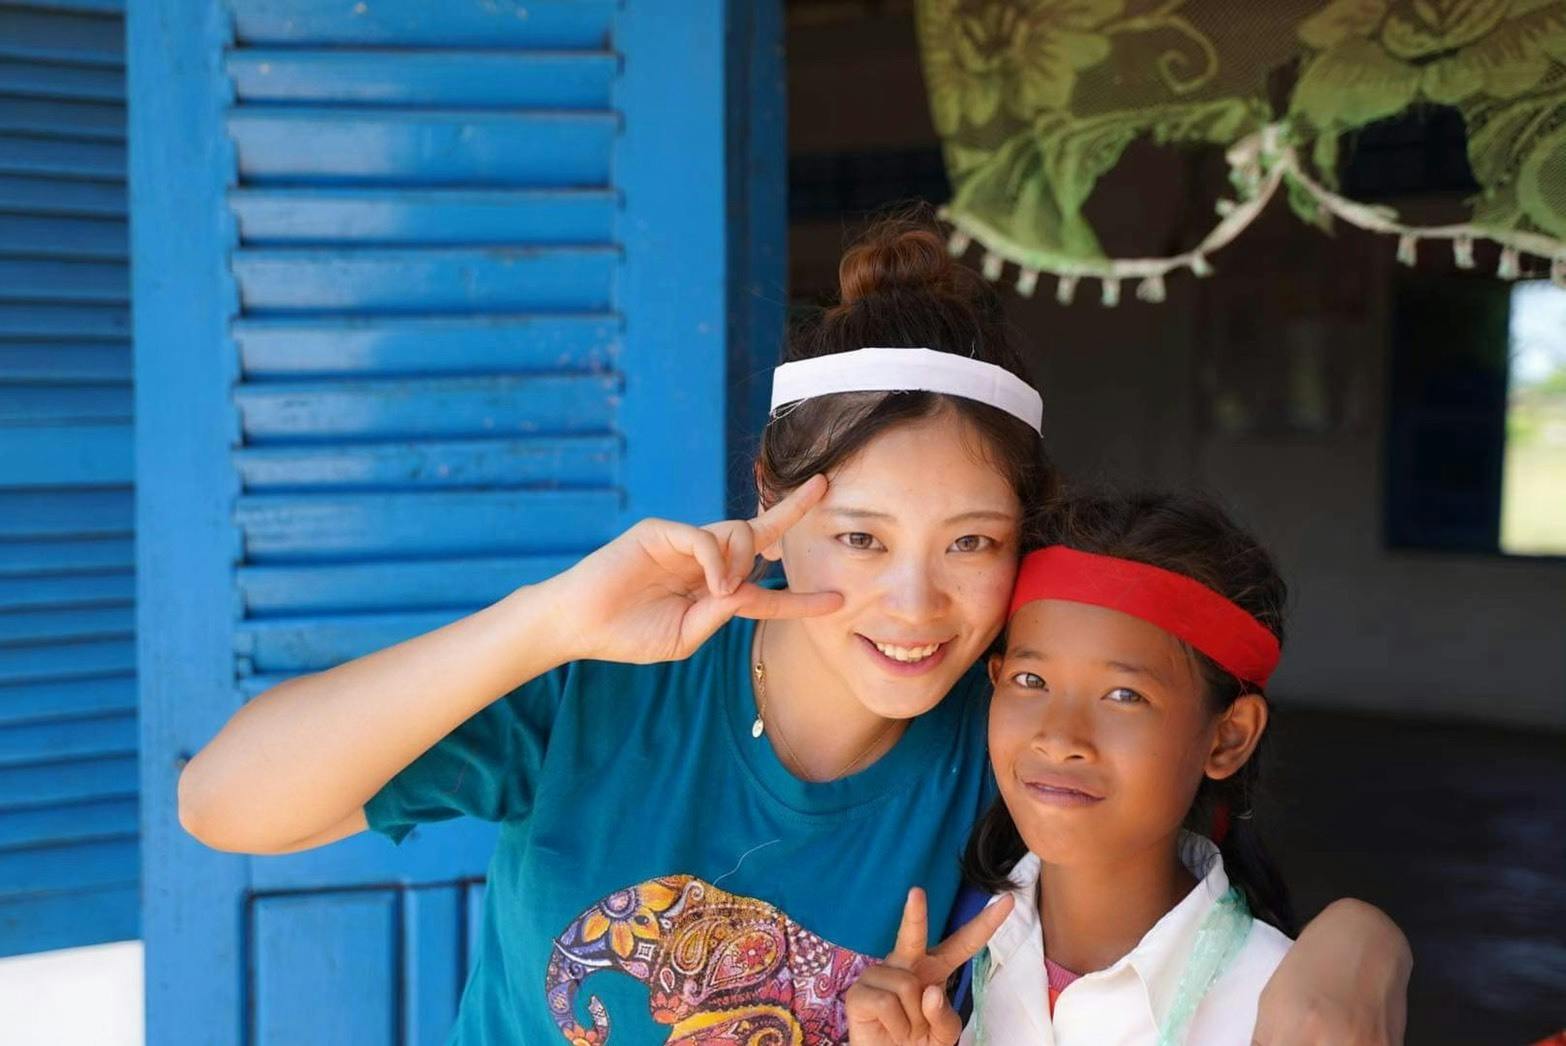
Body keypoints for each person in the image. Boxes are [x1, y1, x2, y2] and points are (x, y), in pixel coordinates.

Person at [178, 216, 1411, 1045]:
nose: (914, 606)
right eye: (861, 536)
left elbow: (1169, 887)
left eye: (970, 542)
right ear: (771, 498)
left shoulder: (1004, 738)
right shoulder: (606, 683)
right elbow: (223, 802)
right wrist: (546, 621)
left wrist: (1357, 948)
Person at [844, 491, 1300, 1045]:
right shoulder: (931, 955)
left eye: (1124, 695)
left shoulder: (1283, 1006)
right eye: (1031, 681)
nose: (1059, 739)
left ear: (1228, 738)